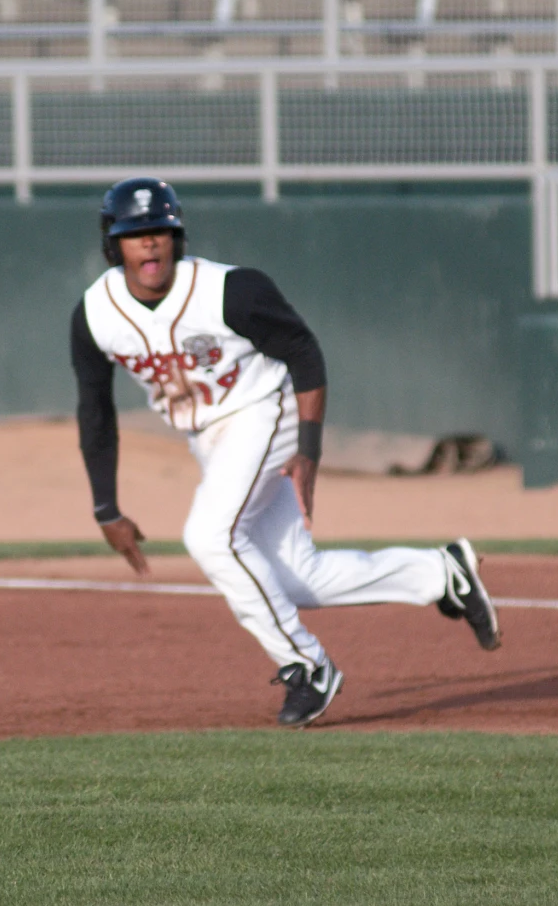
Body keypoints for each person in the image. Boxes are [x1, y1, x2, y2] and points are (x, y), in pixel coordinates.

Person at [71, 177, 503, 727]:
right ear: (114, 244)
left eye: (159, 230)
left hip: (262, 412)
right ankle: (442, 574)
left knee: (209, 536)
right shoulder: (95, 315)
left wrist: (309, 447)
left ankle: (306, 667)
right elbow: (95, 409)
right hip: (210, 439)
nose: (150, 243)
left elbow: (303, 350)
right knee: (298, 579)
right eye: (136, 234)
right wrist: (106, 507)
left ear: (176, 236)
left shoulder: (228, 290)